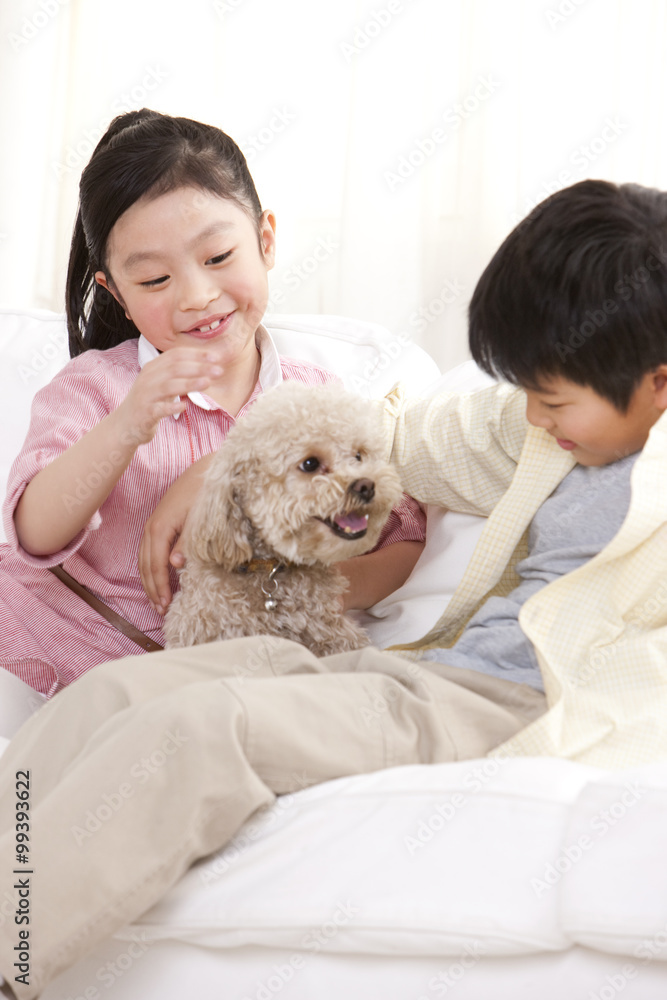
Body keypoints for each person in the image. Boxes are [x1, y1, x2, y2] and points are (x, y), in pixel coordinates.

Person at [3, 177, 667, 999]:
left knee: (209, 728)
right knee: (117, 695)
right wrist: (218, 464)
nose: (532, 417)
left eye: (550, 398)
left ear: (659, 384)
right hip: (430, 672)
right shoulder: (553, 435)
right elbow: (394, 436)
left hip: (512, 704)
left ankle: (11, 957)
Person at [0, 109, 426, 698]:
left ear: (266, 240)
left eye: (218, 257)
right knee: (35, 782)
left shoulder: (311, 401)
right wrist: (129, 425)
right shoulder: (97, 388)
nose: (197, 297)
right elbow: (34, 533)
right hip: (69, 656)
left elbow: (403, 536)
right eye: (154, 281)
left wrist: (292, 592)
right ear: (116, 293)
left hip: (231, 681)